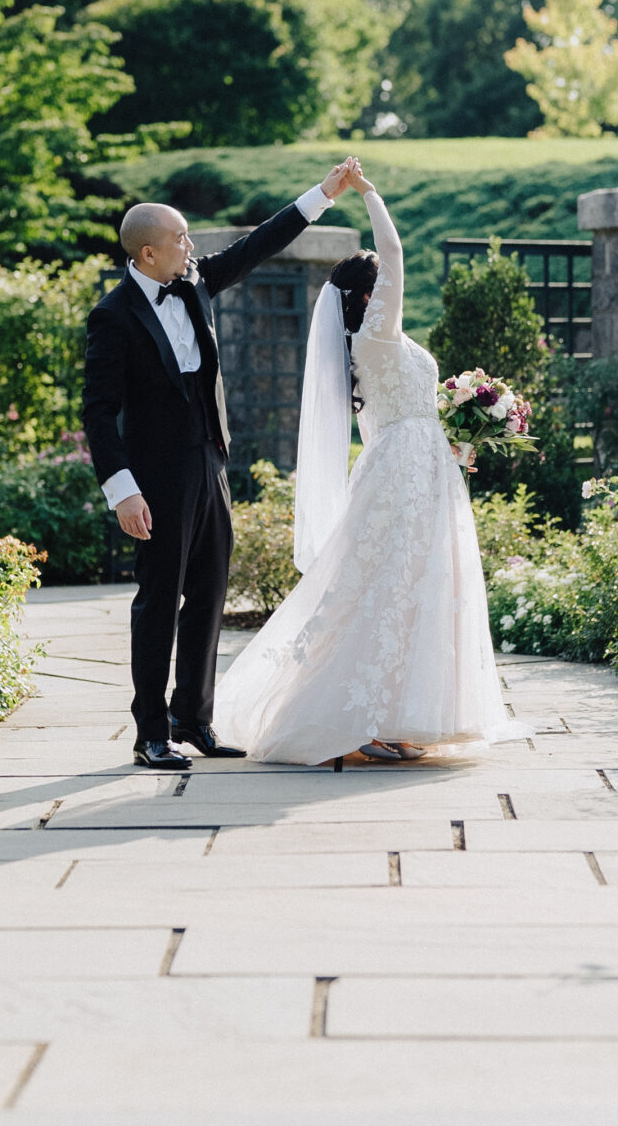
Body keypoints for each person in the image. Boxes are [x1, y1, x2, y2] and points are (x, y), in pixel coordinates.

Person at [215, 164, 511, 764]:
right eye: (381, 284)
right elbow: (395, 253)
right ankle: (360, 721)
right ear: (368, 296)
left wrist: (451, 443)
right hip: (404, 471)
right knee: (391, 584)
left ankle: (392, 714)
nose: (391, 290)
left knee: (407, 586)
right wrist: (369, 195)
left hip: (409, 462)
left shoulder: (367, 349)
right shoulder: (377, 336)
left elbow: (385, 420)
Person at [82, 158, 364, 768]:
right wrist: (122, 489)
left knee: (209, 595)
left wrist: (324, 193)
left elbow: (258, 243)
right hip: (153, 479)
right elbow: (99, 413)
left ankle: (195, 721)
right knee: (159, 602)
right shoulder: (112, 316)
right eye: (180, 238)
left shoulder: (198, 282)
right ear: (148, 254)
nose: (191, 245)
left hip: (209, 465)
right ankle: (150, 734)